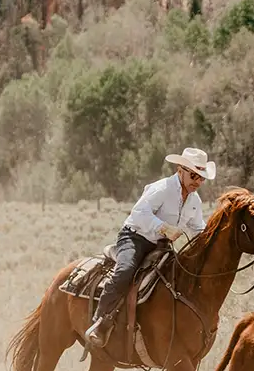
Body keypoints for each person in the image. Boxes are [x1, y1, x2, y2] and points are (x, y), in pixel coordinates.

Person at [84, 147, 217, 349]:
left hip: (162, 247)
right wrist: (163, 228)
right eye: (193, 176)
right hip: (135, 238)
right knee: (125, 271)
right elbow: (139, 213)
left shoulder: (194, 201)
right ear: (180, 169)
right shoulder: (162, 188)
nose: (197, 182)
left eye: (201, 178)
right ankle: (100, 321)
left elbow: (198, 229)